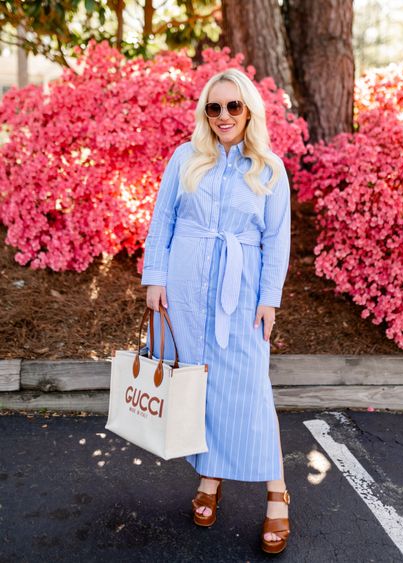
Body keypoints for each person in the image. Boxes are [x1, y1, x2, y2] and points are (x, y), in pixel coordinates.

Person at [141, 68, 292, 555]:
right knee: (197, 387)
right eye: (214, 106)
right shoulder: (185, 158)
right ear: (205, 112)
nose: (223, 115)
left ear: (249, 111)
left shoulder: (269, 168)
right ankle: (210, 481)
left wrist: (269, 298)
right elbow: (162, 219)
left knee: (248, 389)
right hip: (184, 290)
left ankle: (277, 492)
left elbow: (277, 239)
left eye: (233, 106)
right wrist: (154, 279)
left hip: (241, 294)